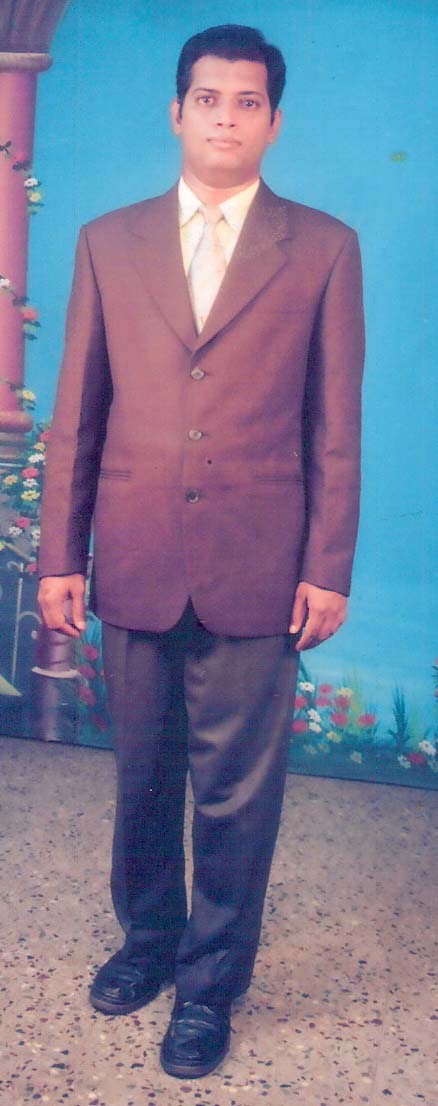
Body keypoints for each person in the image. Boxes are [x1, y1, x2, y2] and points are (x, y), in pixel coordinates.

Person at [37, 23, 365, 1079]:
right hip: (134, 551)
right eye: (209, 99)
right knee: (143, 776)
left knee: (236, 793)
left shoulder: (324, 247)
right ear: (177, 113)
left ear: (275, 121)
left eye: (248, 101)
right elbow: (78, 412)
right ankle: (148, 942)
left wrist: (327, 565)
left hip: (260, 564)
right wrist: (60, 555)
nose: (227, 117)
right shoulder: (107, 240)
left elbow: (334, 426)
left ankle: (210, 985)